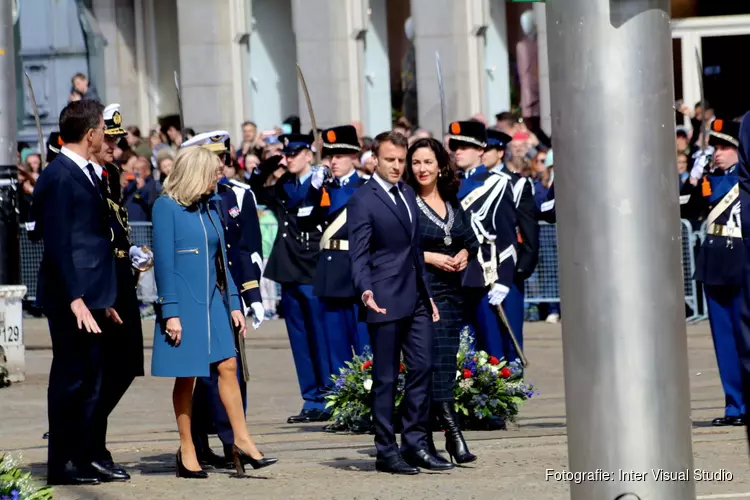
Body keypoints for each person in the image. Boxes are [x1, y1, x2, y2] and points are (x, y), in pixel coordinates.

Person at [150, 146, 277, 477]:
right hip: (184, 306)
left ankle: (243, 440)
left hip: (214, 302)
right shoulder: (166, 207)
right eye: (212, 174)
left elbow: (223, 261)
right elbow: (163, 264)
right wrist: (171, 312)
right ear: (195, 174)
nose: (218, 179)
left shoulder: (209, 207)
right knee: (187, 375)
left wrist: (235, 303)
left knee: (228, 366)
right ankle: (187, 447)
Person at [347, 130, 450, 475]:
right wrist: (365, 290)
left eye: (401, 160)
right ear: (375, 158)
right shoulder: (363, 199)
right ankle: (385, 451)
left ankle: (416, 443)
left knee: (422, 367)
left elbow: (415, 250)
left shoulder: (407, 192)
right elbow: (359, 254)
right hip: (383, 298)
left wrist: (428, 295)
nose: (397, 166)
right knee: (386, 378)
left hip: (416, 296)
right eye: (390, 159)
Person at [32, 99, 120, 485]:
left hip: (91, 296)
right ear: (90, 133)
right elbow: (58, 244)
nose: (104, 135)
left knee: (91, 379)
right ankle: (63, 462)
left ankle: (83, 456)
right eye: (102, 128)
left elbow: (92, 238)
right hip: (72, 298)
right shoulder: (59, 175)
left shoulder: (83, 172)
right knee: (70, 379)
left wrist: (103, 298)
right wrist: (75, 298)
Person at [178, 131, 267, 469]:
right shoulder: (182, 199)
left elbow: (242, 249)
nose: (220, 168)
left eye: (223, 161)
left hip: (226, 291)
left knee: (231, 369)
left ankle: (234, 441)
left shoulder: (234, 196)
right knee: (199, 375)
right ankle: (197, 443)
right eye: (213, 161)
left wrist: (251, 294)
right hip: (197, 293)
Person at [403, 137, 479, 463]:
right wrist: (431, 257)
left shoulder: (451, 201)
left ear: (440, 166)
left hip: (451, 292)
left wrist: (463, 253)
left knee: (445, 361)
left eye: (428, 162)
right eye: (416, 162)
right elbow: (397, 248)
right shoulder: (406, 201)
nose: (422, 169)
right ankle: (452, 434)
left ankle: (437, 439)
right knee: (427, 363)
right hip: (421, 291)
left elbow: (470, 240)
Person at [88, 103, 153, 481]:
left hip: (120, 275)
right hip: (102, 282)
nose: (116, 146)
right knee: (105, 367)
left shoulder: (110, 173)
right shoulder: (89, 176)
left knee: (127, 365)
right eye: (110, 139)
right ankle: (92, 440)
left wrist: (130, 252)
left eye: (118, 140)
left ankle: (91, 431)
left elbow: (114, 226)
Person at [249, 133, 330, 424]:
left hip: (312, 267)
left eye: (296, 153)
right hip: (288, 269)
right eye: (288, 154)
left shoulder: (321, 184)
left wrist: (322, 184)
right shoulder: (284, 185)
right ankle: (311, 398)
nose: (290, 158)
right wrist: (270, 162)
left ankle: (330, 395)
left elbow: (320, 210)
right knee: (299, 338)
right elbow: (255, 189)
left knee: (319, 336)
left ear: (310, 155)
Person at [307, 125, 370, 425]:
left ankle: (369, 401)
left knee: (364, 343)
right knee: (335, 346)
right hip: (331, 272)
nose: (333, 161)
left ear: (355, 157)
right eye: (330, 155)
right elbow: (304, 220)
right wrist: (313, 189)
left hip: (356, 272)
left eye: (340, 155)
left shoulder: (365, 186)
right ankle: (341, 403)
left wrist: (330, 190)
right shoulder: (323, 189)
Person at [448, 121, 518, 367]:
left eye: (465, 146)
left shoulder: (497, 184)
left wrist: (504, 280)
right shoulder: (448, 185)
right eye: (455, 146)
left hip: (483, 276)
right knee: (461, 347)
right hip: (452, 274)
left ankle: (493, 401)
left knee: (491, 350)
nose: (458, 151)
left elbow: (507, 237)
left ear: (480, 150)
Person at [695, 118, 746, 427]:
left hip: (741, 263)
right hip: (715, 265)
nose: (718, 152)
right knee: (724, 342)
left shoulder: (743, 178)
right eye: (715, 146)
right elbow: (685, 206)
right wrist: (694, 178)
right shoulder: (708, 178)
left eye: (725, 147)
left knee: (745, 341)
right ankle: (734, 405)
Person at [492, 129, 540, 362]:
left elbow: (529, 231)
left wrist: (520, 268)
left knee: (510, 338)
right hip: (476, 271)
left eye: (485, 150)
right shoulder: (466, 183)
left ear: (499, 152)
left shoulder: (516, 185)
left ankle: (510, 390)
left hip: (507, 269)